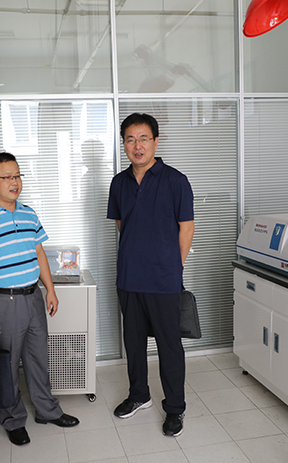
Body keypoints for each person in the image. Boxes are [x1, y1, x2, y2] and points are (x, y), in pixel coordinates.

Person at [0, 152, 79, 446]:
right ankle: (13, 420)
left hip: (33, 297)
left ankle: (47, 410)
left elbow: (39, 253)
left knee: (38, 358)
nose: (14, 182)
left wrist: (50, 289)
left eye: (17, 176)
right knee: (7, 363)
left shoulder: (29, 213)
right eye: (7, 177)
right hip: (3, 302)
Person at [107, 113, 194, 437]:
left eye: (143, 138)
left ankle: (175, 407)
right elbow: (122, 225)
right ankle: (139, 395)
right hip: (129, 278)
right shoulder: (119, 183)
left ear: (156, 142)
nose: (137, 145)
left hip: (163, 280)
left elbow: (187, 228)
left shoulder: (175, 180)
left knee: (169, 346)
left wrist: (173, 265)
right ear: (124, 144)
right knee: (133, 343)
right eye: (130, 139)